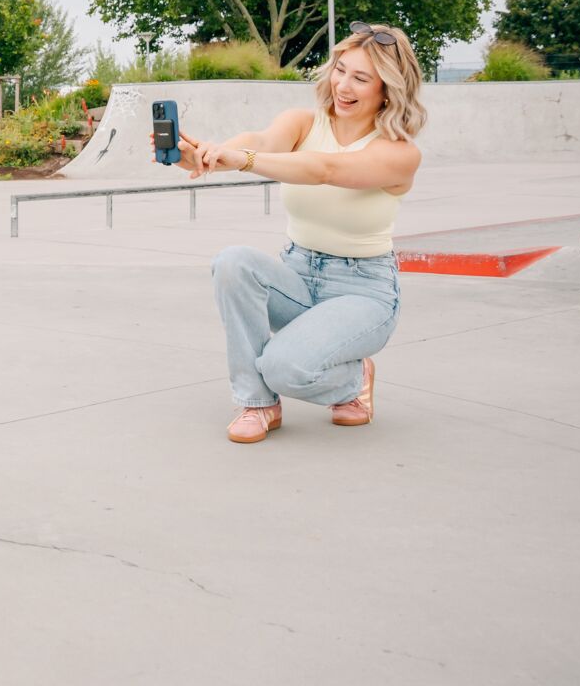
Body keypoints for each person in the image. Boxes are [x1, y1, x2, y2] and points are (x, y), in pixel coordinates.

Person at [179, 23, 427, 444]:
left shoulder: (399, 152)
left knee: (283, 367)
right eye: (340, 70)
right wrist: (202, 156)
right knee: (232, 262)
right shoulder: (302, 122)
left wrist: (242, 159)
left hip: (363, 290)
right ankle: (257, 404)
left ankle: (353, 379)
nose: (343, 86)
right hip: (297, 273)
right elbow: (261, 141)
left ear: (388, 89)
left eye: (361, 78)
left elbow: (324, 169)